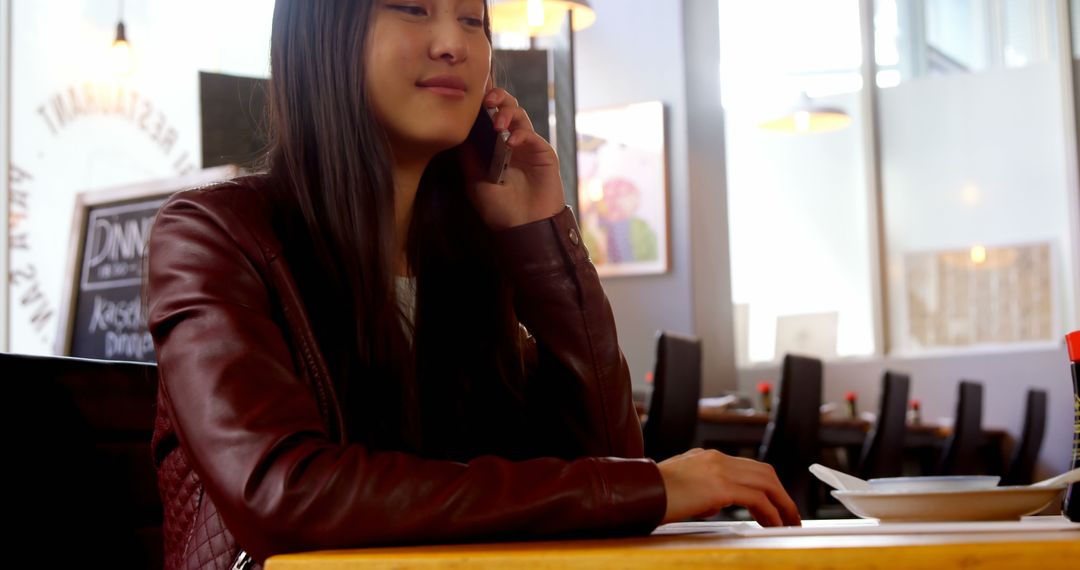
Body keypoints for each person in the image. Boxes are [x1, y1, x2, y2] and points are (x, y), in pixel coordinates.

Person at [146, 1, 800, 568]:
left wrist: (541, 238)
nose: (454, 42)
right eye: (410, 8)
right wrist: (649, 489)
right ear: (321, 35)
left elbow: (599, 465)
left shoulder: (466, 264)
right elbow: (286, 496)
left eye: (471, 18)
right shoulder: (213, 237)